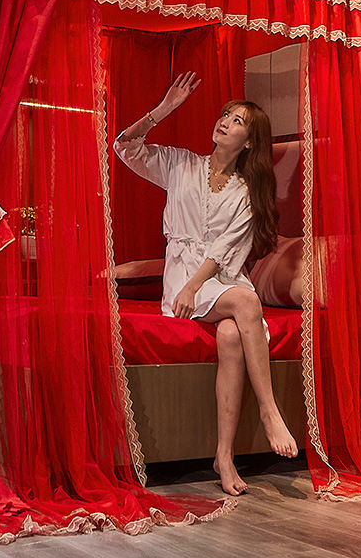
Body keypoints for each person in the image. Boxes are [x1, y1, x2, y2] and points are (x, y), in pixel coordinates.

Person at [114, 71, 297, 496]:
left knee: (231, 335)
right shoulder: (181, 164)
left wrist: (196, 287)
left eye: (237, 121)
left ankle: (224, 456)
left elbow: (223, 251)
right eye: (225, 115)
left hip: (219, 278)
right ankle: (270, 411)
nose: (225, 122)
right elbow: (125, 147)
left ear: (249, 142)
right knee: (247, 304)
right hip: (187, 278)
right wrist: (164, 109)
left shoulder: (247, 192)